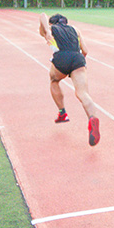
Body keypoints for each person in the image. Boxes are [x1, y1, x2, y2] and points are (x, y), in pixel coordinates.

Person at [39, 13, 100, 145]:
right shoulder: (75, 29)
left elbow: (42, 15)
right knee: (83, 93)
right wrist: (77, 63)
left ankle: (62, 112)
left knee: (54, 80)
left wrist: (48, 31)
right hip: (78, 59)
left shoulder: (50, 29)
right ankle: (92, 118)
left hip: (61, 58)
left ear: (52, 23)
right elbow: (85, 51)